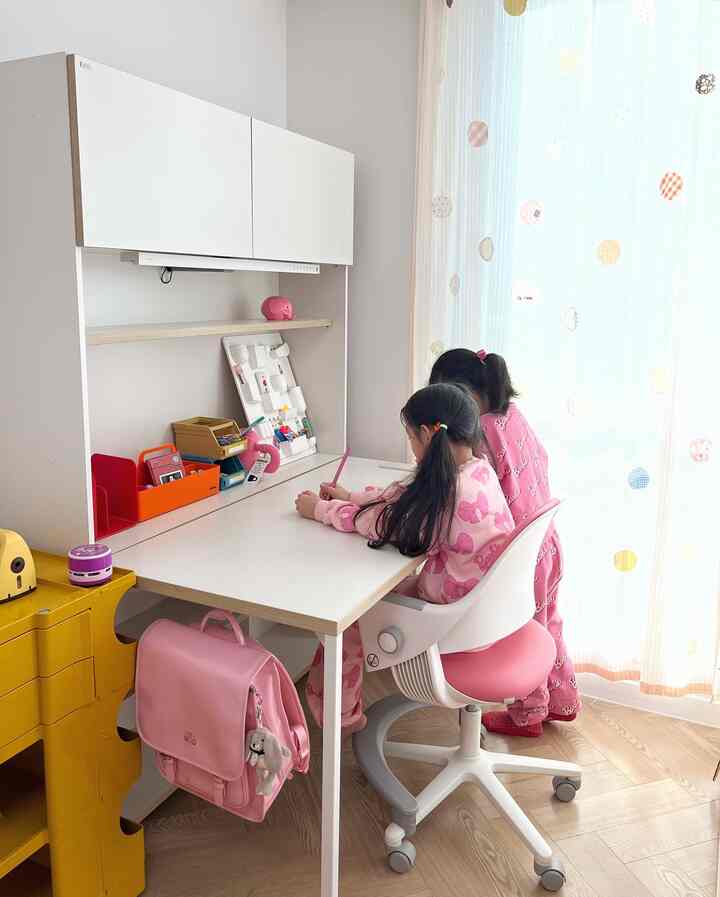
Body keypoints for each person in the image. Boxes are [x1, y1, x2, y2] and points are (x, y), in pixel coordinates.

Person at [295, 382, 514, 733]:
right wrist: (351, 494)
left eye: (411, 438)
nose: (411, 448)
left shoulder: (447, 493)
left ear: (427, 434)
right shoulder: (478, 470)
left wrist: (320, 508)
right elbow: (405, 498)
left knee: (347, 617)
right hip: (482, 606)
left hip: (450, 619)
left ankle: (342, 718)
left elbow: (382, 524)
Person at [429, 348, 580, 737]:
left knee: (523, 624)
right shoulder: (512, 416)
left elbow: (465, 487)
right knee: (547, 626)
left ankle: (528, 715)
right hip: (544, 542)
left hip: (520, 557)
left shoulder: (481, 431)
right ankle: (559, 702)